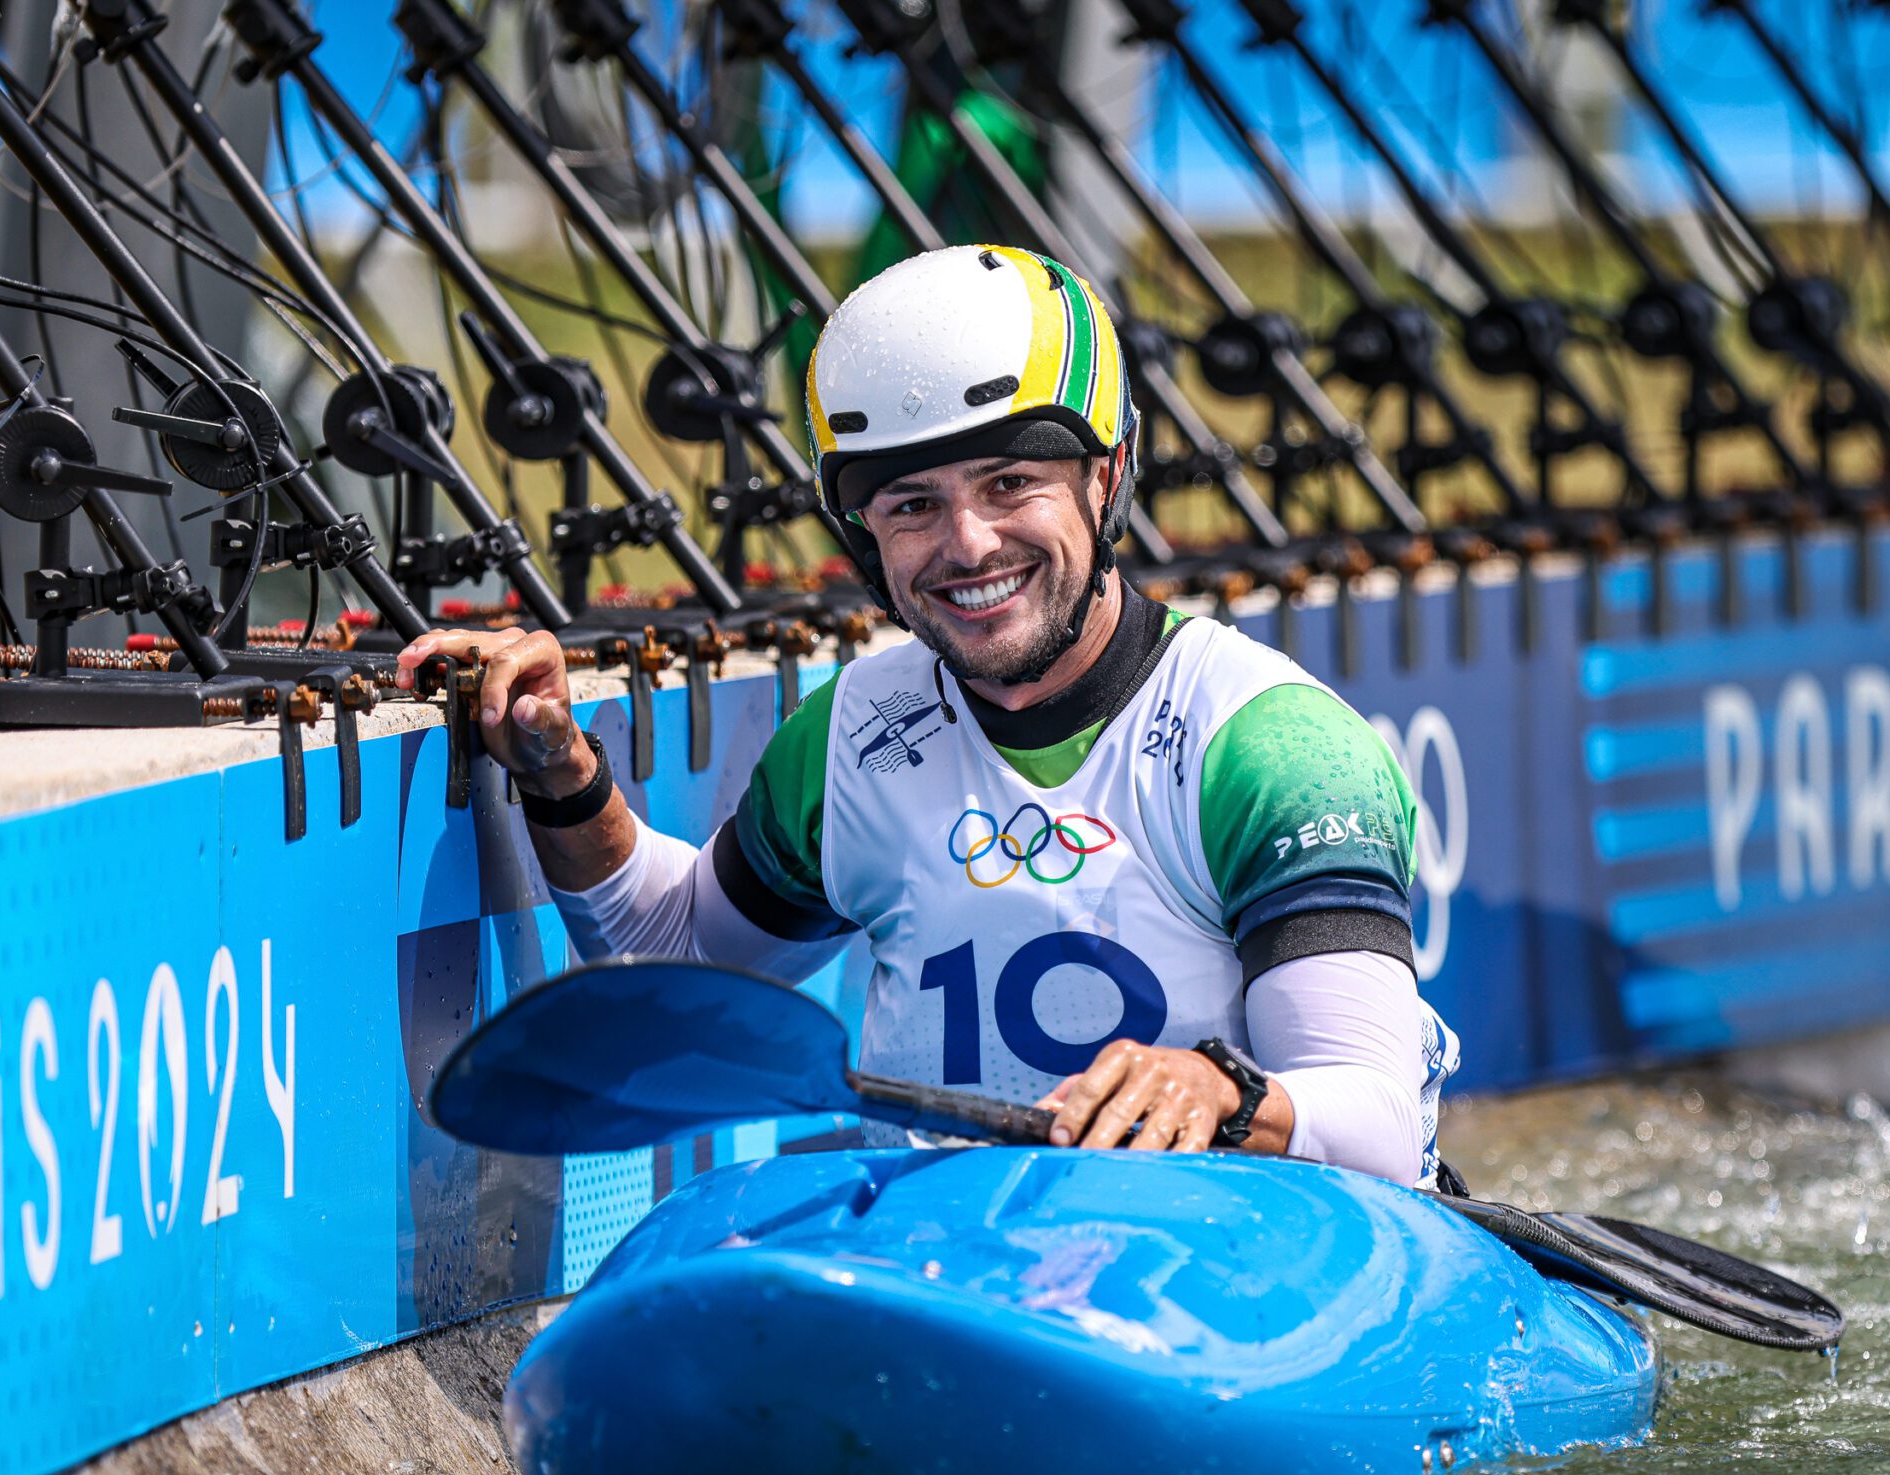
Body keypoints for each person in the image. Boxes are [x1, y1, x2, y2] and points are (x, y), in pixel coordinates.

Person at [396, 244, 1457, 1185]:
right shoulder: (855, 735)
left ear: (1106, 478)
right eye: (911, 506)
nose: (969, 545)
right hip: (956, 1263)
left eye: (1010, 483)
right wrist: (556, 763)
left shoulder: (1268, 748)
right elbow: (669, 960)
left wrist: (1224, 1092)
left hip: (1230, 1266)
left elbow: (1375, 1132)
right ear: (863, 538)